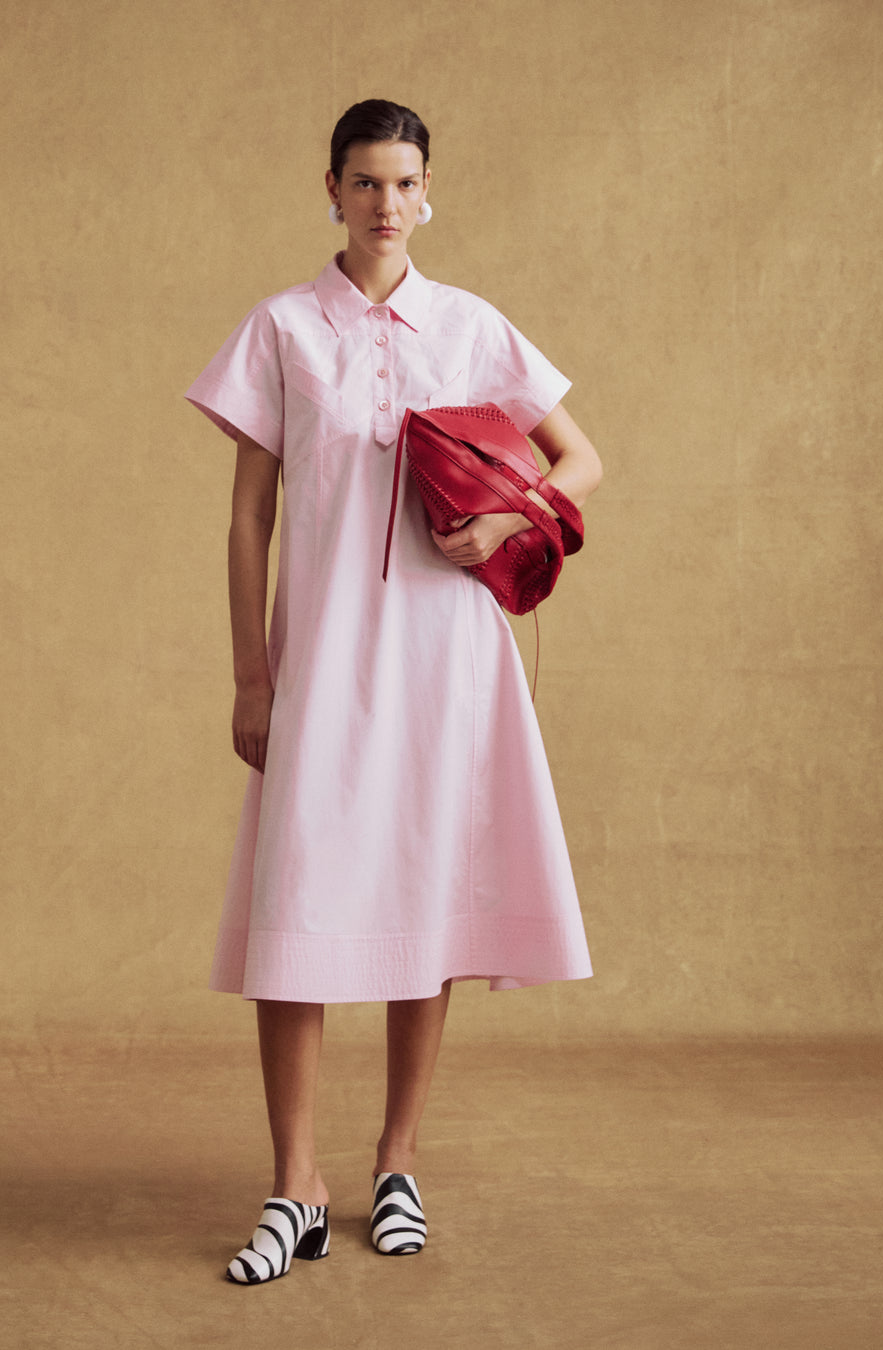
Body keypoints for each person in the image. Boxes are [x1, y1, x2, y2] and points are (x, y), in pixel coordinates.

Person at [184, 99, 602, 1285]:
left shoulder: (469, 325)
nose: (386, 204)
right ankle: (295, 1187)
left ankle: (398, 1164)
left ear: (429, 194)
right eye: (365, 182)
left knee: (431, 899)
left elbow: (582, 459)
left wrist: (510, 518)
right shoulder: (281, 329)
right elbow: (249, 518)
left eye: (405, 183)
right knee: (298, 910)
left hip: (446, 661)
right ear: (331, 188)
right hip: (323, 663)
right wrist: (252, 675)